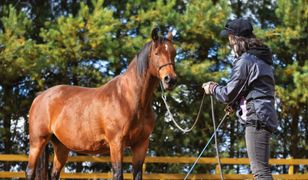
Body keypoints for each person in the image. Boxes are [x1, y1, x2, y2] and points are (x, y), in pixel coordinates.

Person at [202, 18, 278, 180]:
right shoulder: (260, 59)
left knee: (260, 171)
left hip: (257, 117)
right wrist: (236, 103)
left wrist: (213, 88)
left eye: (230, 39)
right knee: (261, 169)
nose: (230, 44)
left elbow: (228, 92)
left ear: (236, 39)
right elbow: (252, 88)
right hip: (263, 114)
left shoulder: (246, 60)